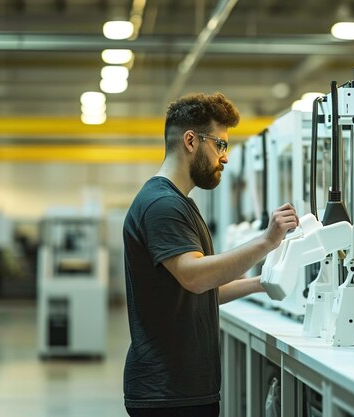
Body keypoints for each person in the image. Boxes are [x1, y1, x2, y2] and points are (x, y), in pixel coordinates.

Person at [122, 92, 298, 417]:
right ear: (191, 140)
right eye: (220, 144)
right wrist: (267, 241)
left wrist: (261, 282)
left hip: (183, 391)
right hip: (167, 395)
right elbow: (195, 277)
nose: (225, 157)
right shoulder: (162, 205)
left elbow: (199, 292)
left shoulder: (180, 203)